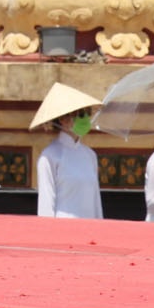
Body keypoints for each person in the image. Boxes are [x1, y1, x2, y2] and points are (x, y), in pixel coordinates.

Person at [31, 83, 104, 220]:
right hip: (63, 230)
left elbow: (96, 202)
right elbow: (46, 205)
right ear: (64, 120)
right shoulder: (49, 157)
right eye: (81, 115)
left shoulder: (90, 155)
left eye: (88, 114)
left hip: (89, 231)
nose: (86, 119)